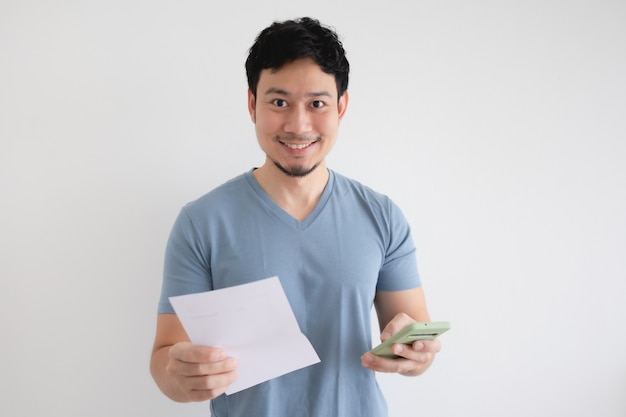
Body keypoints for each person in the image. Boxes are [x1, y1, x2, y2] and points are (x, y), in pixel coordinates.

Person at [150, 16, 441, 417]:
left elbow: (414, 335)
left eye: (317, 104)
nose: (298, 125)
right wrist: (179, 373)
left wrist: (414, 354)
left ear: (342, 106)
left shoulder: (382, 216)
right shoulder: (202, 222)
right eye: (279, 102)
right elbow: (165, 360)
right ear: (252, 104)